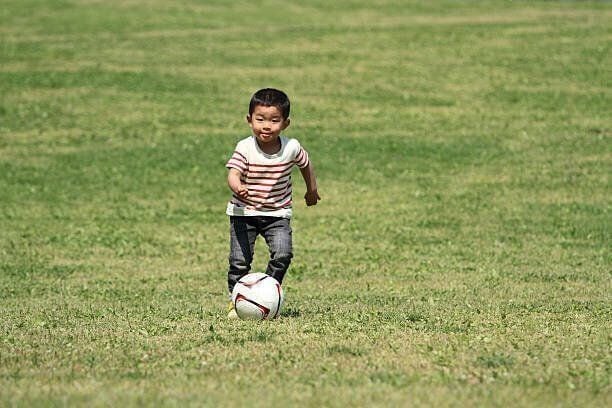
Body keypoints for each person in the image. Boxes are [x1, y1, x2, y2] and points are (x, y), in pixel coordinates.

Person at [225, 88, 320, 318]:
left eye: (274, 120)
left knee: (282, 254)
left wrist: (312, 190)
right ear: (249, 120)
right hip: (243, 213)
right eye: (260, 119)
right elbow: (233, 172)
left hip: (277, 214)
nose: (266, 126)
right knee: (239, 262)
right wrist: (237, 185)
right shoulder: (245, 147)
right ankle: (235, 300)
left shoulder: (291, 148)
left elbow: (305, 165)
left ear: (285, 123)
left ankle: (267, 292)